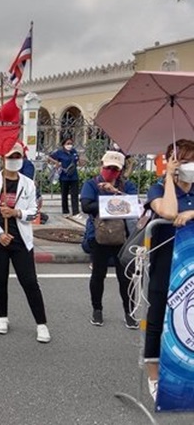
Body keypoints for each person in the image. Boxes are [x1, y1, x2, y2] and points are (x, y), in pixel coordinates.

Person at [0, 142, 51, 343]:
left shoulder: (28, 183)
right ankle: (3, 317)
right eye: (10, 157)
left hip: (21, 240)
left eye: (18, 156)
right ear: (3, 159)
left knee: (29, 281)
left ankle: (41, 324)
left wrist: (17, 212)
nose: (14, 160)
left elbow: (34, 211)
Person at [144, 139, 194, 400]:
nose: (189, 166)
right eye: (183, 162)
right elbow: (169, 211)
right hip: (165, 266)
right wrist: (170, 179)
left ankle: (186, 371)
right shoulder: (157, 189)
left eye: (192, 161)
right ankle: (154, 375)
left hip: (191, 266)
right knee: (158, 318)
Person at [80, 151, 138, 328]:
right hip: (99, 236)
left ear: (120, 171)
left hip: (123, 238)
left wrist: (115, 193)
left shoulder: (127, 186)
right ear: (101, 166)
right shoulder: (91, 184)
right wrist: (110, 201)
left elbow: (133, 206)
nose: (111, 171)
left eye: (115, 169)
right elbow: (86, 206)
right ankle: (97, 310)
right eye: (108, 168)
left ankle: (129, 312)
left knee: (125, 277)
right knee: (98, 275)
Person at [49, 137, 80, 217]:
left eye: (71, 144)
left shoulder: (74, 151)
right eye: (68, 144)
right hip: (64, 176)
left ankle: (75, 212)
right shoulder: (59, 152)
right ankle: (65, 211)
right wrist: (56, 162)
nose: (70, 145)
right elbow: (49, 157)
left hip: (74, 176)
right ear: (63, 145)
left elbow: (77, 159)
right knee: (64, 194)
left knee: (74, 194)